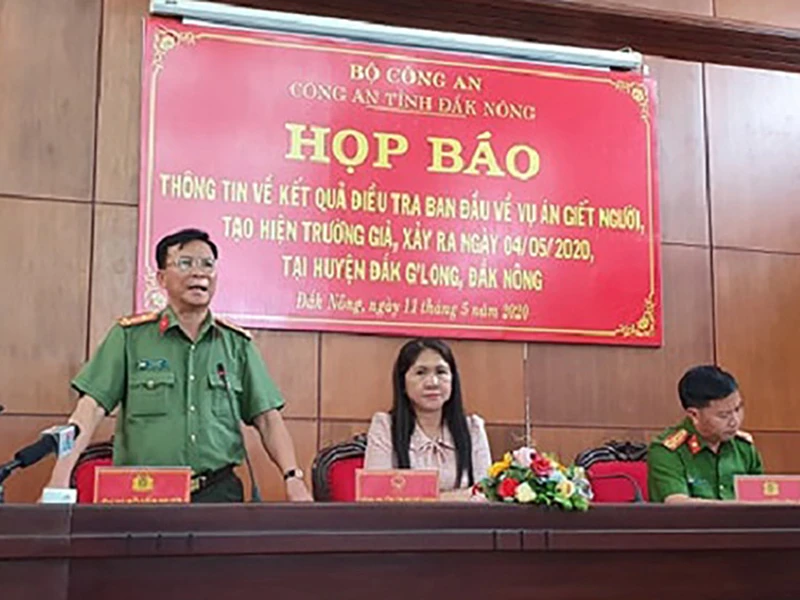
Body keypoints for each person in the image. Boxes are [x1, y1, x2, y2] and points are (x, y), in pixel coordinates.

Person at [43, 228, 313, 503]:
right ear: (161, 278)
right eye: (185, 263)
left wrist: (293, 477)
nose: (199, 273)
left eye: (207, 264)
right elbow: (90, 409)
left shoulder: (236, 344)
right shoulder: (130, 338)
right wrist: (59, 477)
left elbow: (267, 419)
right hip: (145, 493)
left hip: (217, 493)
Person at [364, 338, 492, 501]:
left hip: (464, 519)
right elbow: (377, 496)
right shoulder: (385, 427)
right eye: (420, 372)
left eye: (441, 372)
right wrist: (458, 496)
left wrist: (413, 498)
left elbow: (486, 495)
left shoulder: (472, 428)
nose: (433, 383)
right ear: (402, 383)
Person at [647, 365, 763, 503]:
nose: (734, 421)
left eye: (738, 409)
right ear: (694, 415)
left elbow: (760, 499)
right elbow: (677, 503)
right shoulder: (667, 451)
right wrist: (734, 509)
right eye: (723, 415)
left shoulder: (743, 447)